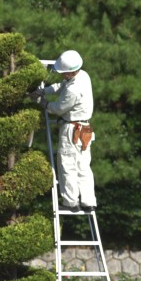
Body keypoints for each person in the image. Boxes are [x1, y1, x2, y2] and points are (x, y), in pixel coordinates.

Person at [32, 50, 96, 212]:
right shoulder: (83, 76)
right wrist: (44, 91)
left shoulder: (73, 90)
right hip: (85, 129)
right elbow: (61, 86)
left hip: (71, 129)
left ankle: (70, 201)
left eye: (64, 73)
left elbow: (58, 108)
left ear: (70, 71)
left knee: (67, 165)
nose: (62, 75)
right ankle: (88, 201)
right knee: (83, 166)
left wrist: (42, 101)